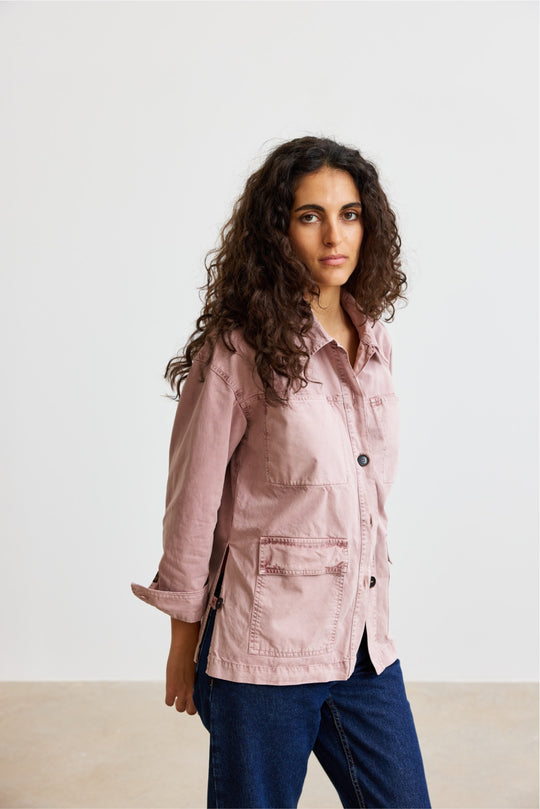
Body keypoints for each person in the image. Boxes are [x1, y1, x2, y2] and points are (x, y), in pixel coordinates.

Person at [131, 135, 431, 809]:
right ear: (277, 230)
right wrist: (183, 641)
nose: (334, 235)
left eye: (349, 214)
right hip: (262, 651)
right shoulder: (238, 350)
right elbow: (193, 505)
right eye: (309, 216)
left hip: (362, 645)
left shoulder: (374, 342)